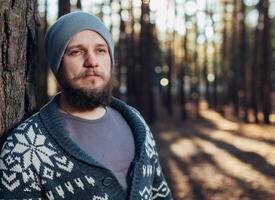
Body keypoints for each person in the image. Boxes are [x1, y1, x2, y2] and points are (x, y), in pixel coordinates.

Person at [0, 11, 172, 200]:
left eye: (100, 50)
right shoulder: (23, 149)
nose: (92, 61)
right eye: (76, 52)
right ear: (58, 67)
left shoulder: (137, 124)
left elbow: (160, 194)